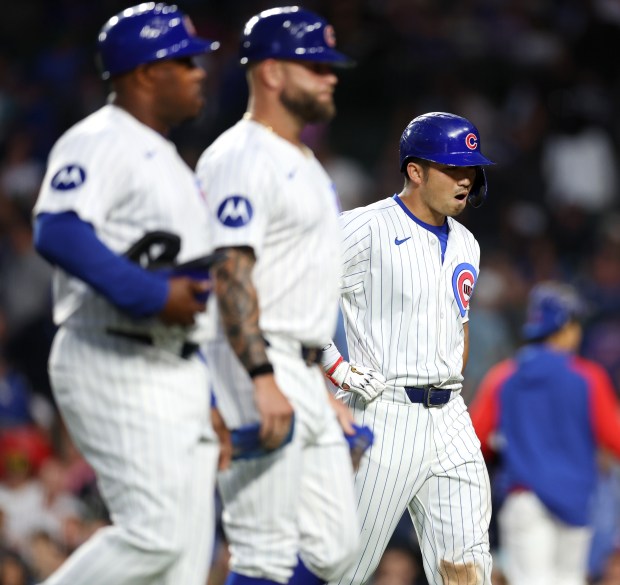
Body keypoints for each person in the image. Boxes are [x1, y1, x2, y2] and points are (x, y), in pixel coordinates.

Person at [31, 4, 225, 585]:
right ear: (144, 73)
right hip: (112, 353)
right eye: (185, 62)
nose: (199, 73)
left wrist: (210, 387)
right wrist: (148, 294)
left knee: (184, 566)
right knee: (155, 536)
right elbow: (58, 229)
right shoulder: (100, 139)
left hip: (175, 364)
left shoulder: (167, 158)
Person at [196, 6, 363, 585]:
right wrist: (261, 375)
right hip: (255, 359)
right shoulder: (241, 156)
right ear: (270, 73)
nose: (330, 76)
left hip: (300, 364)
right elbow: (229, 273)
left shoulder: (307, 163)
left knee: (337, 552)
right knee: (263, 550)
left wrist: (317, 380)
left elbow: (295, 287)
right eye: (314, 65)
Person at [321, 112, 495, 585]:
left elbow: (459, 326)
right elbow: (291, 293)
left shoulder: (467, 243)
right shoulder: (363, 227)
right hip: (383, 412)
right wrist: (335, 366)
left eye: (471, 170)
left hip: (451, 417)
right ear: (415, 171)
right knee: (341, 568)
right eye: (453, 168)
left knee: (468, 564)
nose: (466, 180)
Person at [469, 281, 620, 585]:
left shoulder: (504, 376)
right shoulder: (588, 377)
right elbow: (615, 438)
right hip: (575, 500)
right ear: (564, 327)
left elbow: (474, 441)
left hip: (525, 499)